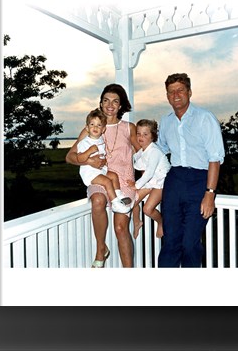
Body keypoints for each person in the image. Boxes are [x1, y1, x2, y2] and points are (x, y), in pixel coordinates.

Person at [66, 84, 140, 268]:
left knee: (121, 228)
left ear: (121, 105)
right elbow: (69, 157)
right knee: (98, 200)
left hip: (123, 181)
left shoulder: (129, 128)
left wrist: (142, 182)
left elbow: (144, 155)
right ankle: (101, 249)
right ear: (100, 103)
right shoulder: (92, 127)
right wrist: (88, 162)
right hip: (99, 176)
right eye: (106, 100)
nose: (110, 105)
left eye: (115, 101)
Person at [157, 73, 225, 268]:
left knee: (189, 243)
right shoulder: (166, 121)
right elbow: (160, 151)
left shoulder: (205, 118)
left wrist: (210, 194)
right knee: (170, 241)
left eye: (180, 90)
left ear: (189, 92)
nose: (176, 95)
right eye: (171, 92)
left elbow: (215, 158)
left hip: (199, 182)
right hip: (174, 181)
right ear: (167, 96)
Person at [77, 108, 132, 214]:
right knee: (107, 181)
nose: (95, 127)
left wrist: (104, 161)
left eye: (98, 125)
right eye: (92, 124)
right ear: (87, 128)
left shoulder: (100, 140)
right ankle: (115, 204)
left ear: (103, 129)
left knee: (114, 176)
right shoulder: (85, 142)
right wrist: (89, 151)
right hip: (90, 173)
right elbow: (80, 159)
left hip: (100, 170)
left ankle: (119, 196)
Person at [127, 119, 171, 239]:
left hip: (160, 183)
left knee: (147, 209)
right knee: (132, 201)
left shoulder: (154, 151)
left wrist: (136, 185)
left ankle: (161, 222)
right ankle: (137, 222)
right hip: (150, 183)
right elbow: (136, 163)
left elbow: (149, 173)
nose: (141, 137)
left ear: (153, 136)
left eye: (145, 134)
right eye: (138, 133)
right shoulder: (142, 151)